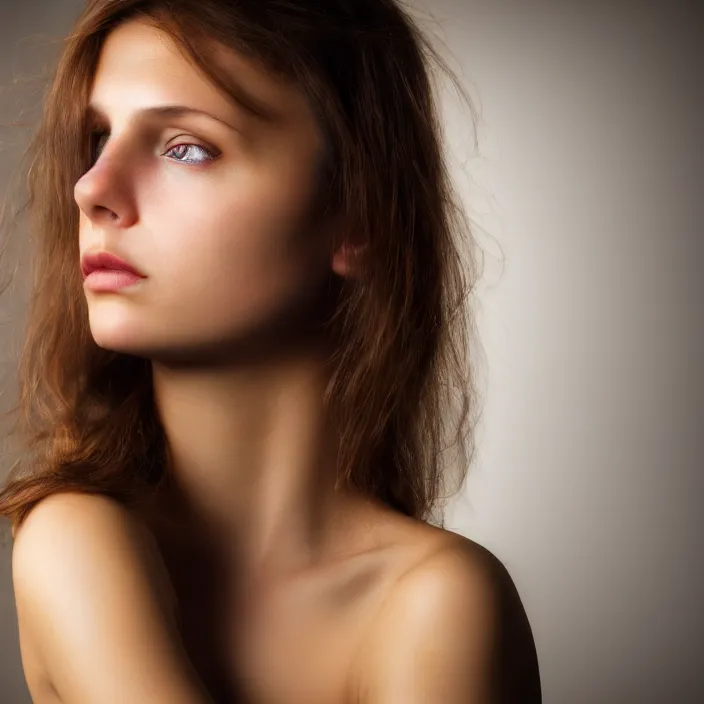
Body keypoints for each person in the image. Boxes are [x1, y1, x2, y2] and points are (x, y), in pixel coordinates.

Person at [0, 0, 541, 702]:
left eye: (185, 147)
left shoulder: (442, 601)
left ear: (359, 214)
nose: (91, 188)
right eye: (99, 138)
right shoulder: (74, 541)